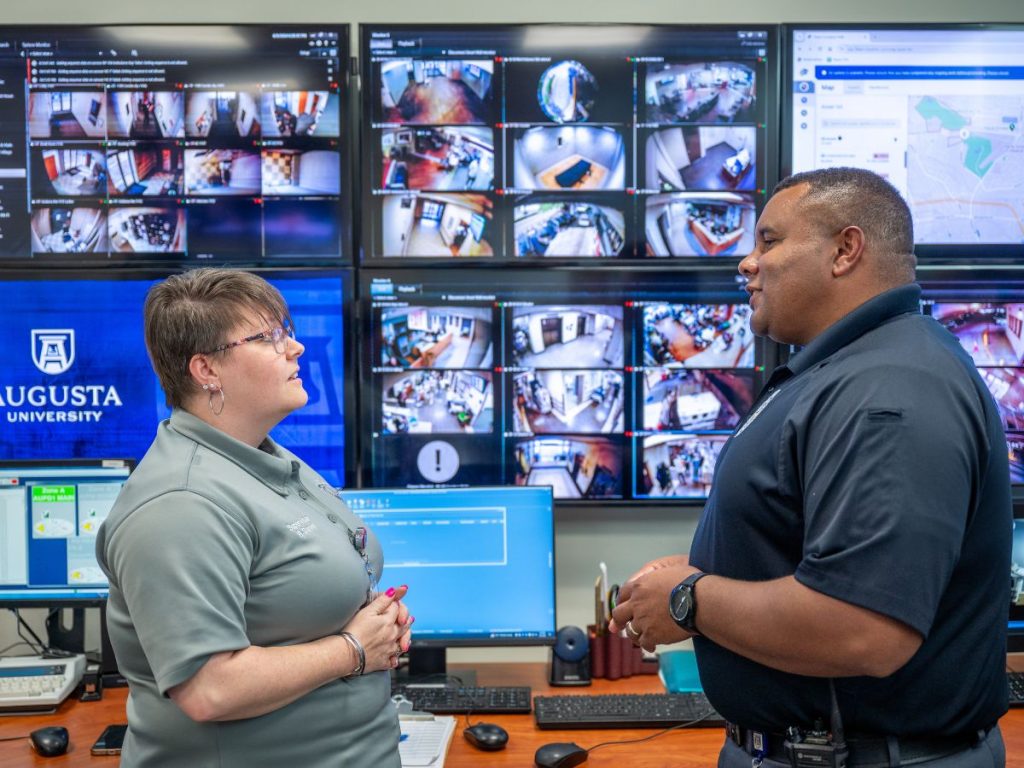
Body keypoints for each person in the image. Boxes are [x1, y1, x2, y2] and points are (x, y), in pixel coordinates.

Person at [610, 167, 1010, 767]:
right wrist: (715, 568)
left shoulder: (889, 389)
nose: (747, 262)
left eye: (769, 241)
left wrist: (690, 599)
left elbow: (863, 629)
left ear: (845, 250)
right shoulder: (850, 369)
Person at [96, 269, 412, 767]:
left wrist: (377, 622)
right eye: (269, 338)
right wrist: (354, 647)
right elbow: (209, 689)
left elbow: (291, 598)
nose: (296, 349)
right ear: (206, 370)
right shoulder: (180, 502)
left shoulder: (264, 459)